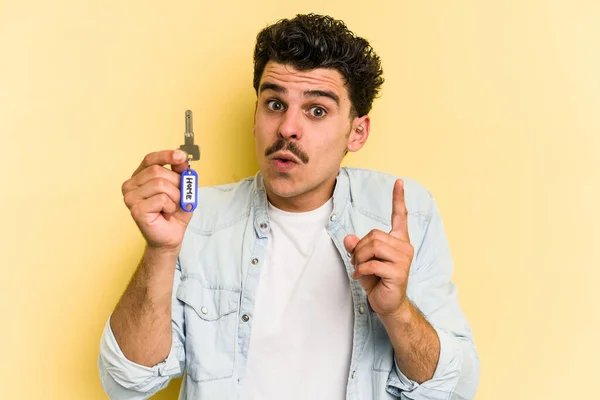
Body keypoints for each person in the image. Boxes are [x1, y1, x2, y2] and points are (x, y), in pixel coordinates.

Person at [98, 13, 480, 400]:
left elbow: (456, 389)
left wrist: (397, 311)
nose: (287, 128)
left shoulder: (406, 214)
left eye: (317, 110)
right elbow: (127, 384)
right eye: (275, 103)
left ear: (358, 131)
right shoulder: (194, 218)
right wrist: (160, 251)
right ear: (255, 116)